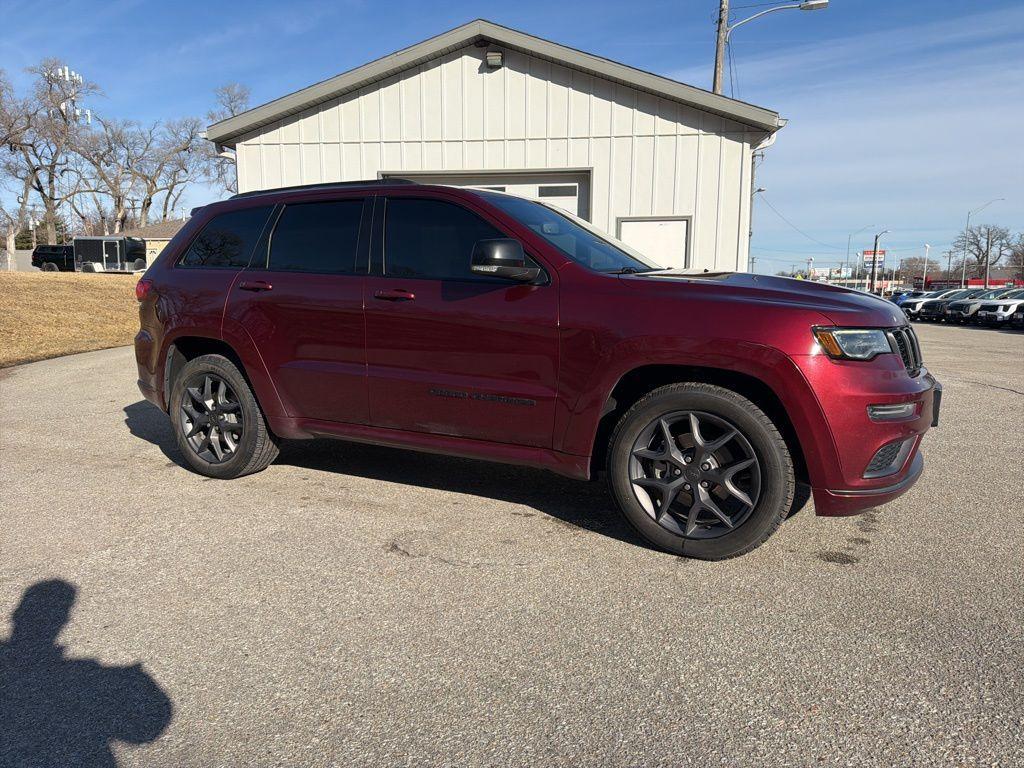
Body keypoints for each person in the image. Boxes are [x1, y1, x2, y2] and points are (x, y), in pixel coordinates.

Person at [0, 579, 173, 767]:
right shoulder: (80, 677)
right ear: (64, 621)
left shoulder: (76, 674)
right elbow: (147, 727)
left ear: (16, 614)